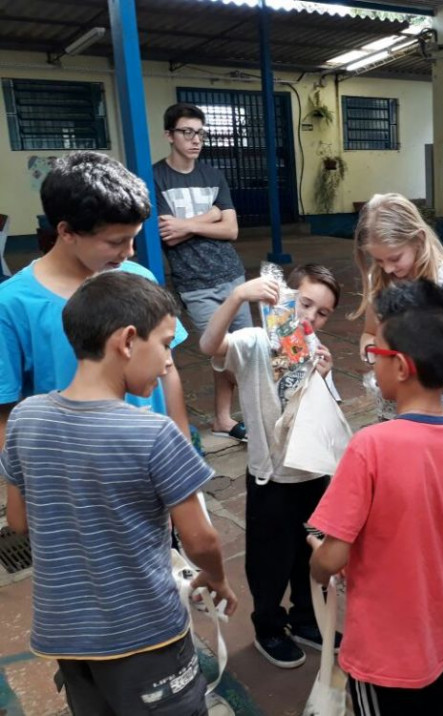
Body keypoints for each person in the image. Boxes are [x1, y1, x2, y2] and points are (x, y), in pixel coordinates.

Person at [0, 271, 237, 714]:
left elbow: (18, 522)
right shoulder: (151, 432)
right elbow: (200, 539)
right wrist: (217, 578)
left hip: (66, 635)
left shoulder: (26, 419)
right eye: (166, 344)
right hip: (146, 636)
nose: (169, 362)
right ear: (128, 340)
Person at [308, 279, 443, 716]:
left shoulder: (370, 446)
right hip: (441, 635)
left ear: (402, 367)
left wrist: (317, 559)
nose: (372, 364)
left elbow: (331, 560)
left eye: (376, 355)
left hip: (382, 655)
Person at [199, 264, 341, 669]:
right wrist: (238, 296)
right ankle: (267, 626)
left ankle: (307, 620)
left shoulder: (316, 354)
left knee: (310, 555)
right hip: (271, 478)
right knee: (269, 561)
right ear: (284, 296)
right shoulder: (254, 343)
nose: (310, 317)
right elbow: (211, 345)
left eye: (322, 313)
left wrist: (325, 378)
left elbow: (328, 420)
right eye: (305, 304)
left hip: (314, 476)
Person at [0, 151, 191, 446]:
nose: (128, 252)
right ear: (66, 232)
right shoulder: (11, 305)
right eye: (115, 242)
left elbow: (168, 371)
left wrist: (183, 446)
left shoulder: (139, 279)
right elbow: (5, 411)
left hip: (150, 456)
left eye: (133, 238)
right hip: (75, 471)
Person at [154, 102, 249, 442]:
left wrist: (188, 225)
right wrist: (210, 217)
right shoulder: (155, 177)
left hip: (231, 274)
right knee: (220, 350)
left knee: (242, 350)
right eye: (187, 132)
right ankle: (226, 416)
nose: (196, 140)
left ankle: (224, 418)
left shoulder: (213, 175)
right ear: (170, 135)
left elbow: (232, 231)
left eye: (200, 133)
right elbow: (168, 233)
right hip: (194, 283)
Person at [351, 193, 443, 419]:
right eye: (378, 260)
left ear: (418, 239)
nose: (387, 269)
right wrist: (371, 350)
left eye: (395, 258)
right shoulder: (378, 282)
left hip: (439, 413)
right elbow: (369, 333)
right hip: (390, 411)